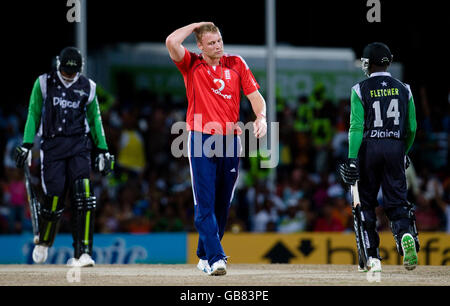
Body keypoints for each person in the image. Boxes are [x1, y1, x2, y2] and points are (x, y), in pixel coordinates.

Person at [166, 22, 267, 275]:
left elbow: (255, 96)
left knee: (223, 203)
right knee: (205, 203)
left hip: (231, 139)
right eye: (211, 43)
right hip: (200, 137)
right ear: (200, 46)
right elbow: (171, 42)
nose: (218, 46)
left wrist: (261, 117)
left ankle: (203, 255)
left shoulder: (236, 63)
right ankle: (216, 258)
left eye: (219, 40)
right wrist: (196, 25)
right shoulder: (191, 64)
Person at [15, 47, 114, 267]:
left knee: (84, 195)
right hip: (53, 147)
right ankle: (44, 240)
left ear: (80, 68)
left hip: (79, 145)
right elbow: (33, 112)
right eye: (65, 71)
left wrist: (103, 149)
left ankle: (83, 253)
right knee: (54, 198)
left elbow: (95, 119)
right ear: (58, 64)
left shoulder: (88, 87)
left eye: (73, 72)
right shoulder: (44, 83)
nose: (68, 75)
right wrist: (26, 145)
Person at [339, 42, 419, 271]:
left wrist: (352, 158)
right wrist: (403, 151)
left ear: (367, 63)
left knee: (365, 204)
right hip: (395, 146)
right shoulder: (405, 88)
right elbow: (412, 127)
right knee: (397, 202)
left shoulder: (359, 89)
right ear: (389, 61)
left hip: (369, 148)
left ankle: (373, 257)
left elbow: (355, 127)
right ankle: (405, 235)